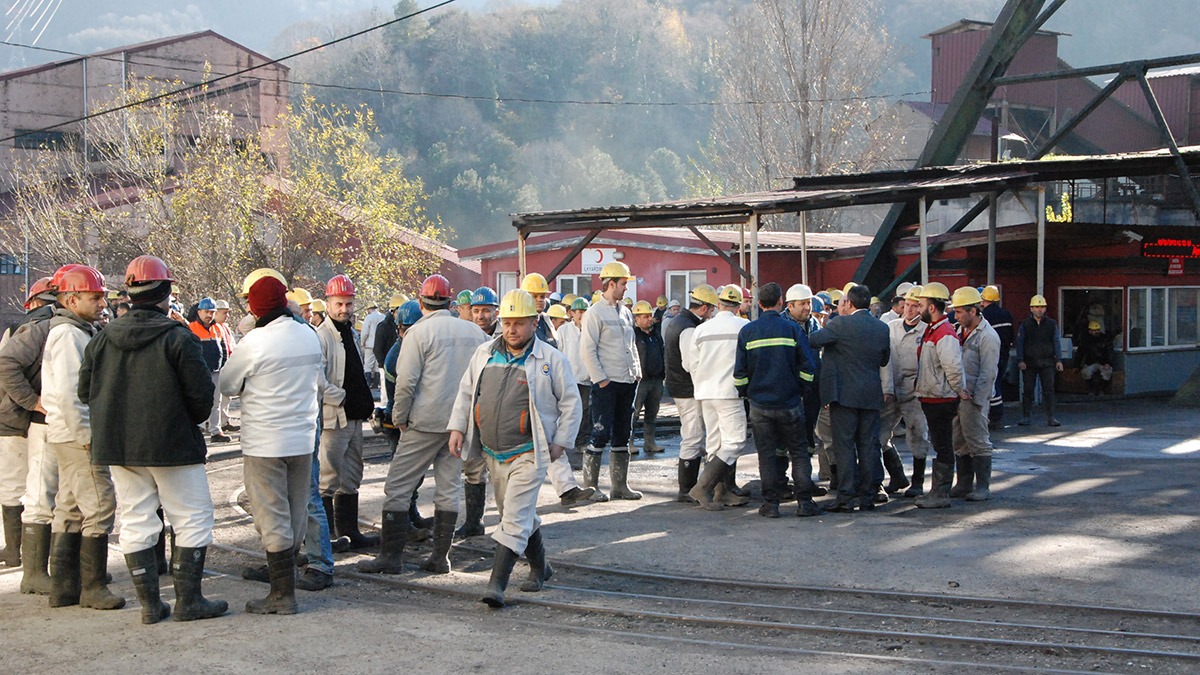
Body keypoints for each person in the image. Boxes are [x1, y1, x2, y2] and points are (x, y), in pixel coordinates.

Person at [81, 254, 227, 624]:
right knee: (192, 518)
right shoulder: (178, 337)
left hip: (119, 446)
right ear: (166, 291)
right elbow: (200, 396)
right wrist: (185, 422)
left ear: (130, 293)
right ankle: (188, 602)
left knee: (135, 520)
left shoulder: (100, 339)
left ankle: (149, 605)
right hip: (173, 444)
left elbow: (85, 392)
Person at [447, 290, 582, 608]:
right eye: (507, 323)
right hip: (494, 452)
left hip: (530, 451)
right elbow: (467, 392)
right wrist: (457, 427)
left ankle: (497, 584)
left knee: (514, 516)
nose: (511, 330)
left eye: (519, 323)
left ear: (534, 323)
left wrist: (561, 440)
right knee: (516, 513)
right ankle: (540, 567)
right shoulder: (484, 353)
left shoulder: (550, 360)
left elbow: (571, 403)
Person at [358, 275, 488, 576]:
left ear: (421, 302)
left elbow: (405, 384)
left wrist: (399, 418)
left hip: (424, 422)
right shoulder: (475, 333)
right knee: (449, 488)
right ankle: (441, 557)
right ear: (451, 302)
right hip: (460, 424)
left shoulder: (417, 334)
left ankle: (390, 557)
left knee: (398, 487)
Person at [220, 272, 323, 615]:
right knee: (295, 510)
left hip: (265, 441)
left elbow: (228, 384)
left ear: (254, 307)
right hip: (303, 440)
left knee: (271, 511)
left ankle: (281, 596)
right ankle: (286, 582)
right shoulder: (309, 335)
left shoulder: (255, 341)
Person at [42, 265, 124, 610]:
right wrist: (87, 435)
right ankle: (92, 588)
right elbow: (71, 393)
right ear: (71, 298)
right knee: (100, 504)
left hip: (65, 432)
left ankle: (64, 587)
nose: (102, 301)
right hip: (77, 435)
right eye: (96, 296)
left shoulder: (73, 330)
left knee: (71, 506)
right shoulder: (70, 335)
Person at [734, 282, 820, 518]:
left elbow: (739, 375)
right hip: (790, 403)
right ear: (781, 302)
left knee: (767, 456)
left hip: (760, 406)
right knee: (800, 453)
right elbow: (808, 367)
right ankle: (805, 503)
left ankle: (771, 505)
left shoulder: (748, 331)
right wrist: (801, 389)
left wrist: (748, 394)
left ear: (760, 304)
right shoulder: (792, 330)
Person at [808, 284, 890, 512]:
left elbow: (814, 340)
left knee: (844, 446)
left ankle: (845, 497)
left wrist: (832, 321)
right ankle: (868, 496)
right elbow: (884, 360)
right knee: (869, 446)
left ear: (849, 304)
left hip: (843, 396)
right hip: (871, 395)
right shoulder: (881, 328)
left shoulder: (840, 324)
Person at [314, 274, 377, 550]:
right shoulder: (321, 337)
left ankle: (350, 531)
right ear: (328, 303)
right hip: (333, 417)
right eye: (339, 303)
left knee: (352, 474)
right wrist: (344, 399)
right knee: (327, 477)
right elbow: (317, 381)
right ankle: (323, 537)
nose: (344, 309)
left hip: (353, 418)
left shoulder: (352, 333)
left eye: (349, 304)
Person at [0, 277, 54, 569]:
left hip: (13, 418)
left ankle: (13, 551)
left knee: (13, 485)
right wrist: (33, 402)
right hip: (30, 417)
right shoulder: (53, 328)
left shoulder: (15, 329)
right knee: (37, 488)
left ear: (32, 302)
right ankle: (21, 555)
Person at [579, 262, 642, 501]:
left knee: (623, 433)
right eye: (624, 283)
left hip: (627, 381)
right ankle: (591, 488)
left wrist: (637, 372)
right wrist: (601, 380)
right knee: (600, 432)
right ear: (611, 283)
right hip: (607, 383)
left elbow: (631, 344)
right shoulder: (595, 313)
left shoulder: (625, 311)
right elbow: (587, 350)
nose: (626, 288)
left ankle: (619, 487)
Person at [686, 285, 751, 510]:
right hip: (729, 393)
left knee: (715, 443)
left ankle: (718, 492)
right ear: (738, 306)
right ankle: (703, 487)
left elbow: (692, 364)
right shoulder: (745, 327)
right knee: (734, 441)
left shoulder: (702, 329)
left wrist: (701, 382)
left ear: (719, 303)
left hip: (705, 392)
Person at [913, 282, 967, 509]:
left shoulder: (943, 333)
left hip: (941, 399)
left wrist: (959, 389)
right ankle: (937, 491)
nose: (918, 309)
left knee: (943, 445)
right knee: (940, 443)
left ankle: (940, 494)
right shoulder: (934, 330)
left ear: (933, 307)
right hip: (933, 397)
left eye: (921, 305)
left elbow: (953, 366)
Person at [664, 285, 716, 502]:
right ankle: (686, 489)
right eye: (711, 309)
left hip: (680, 387)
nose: (712, 313)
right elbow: (691, 364)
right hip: (687, 389)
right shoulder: (688, 328)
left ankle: (688, 487)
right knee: (693, 436)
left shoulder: (679, 322)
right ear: (703, 308)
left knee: (692, 435)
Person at [948, 287, 1001, 502]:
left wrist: (979, 401)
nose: (956, 315)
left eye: (960, 311)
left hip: (974, 398)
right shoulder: (958, 331)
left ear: (973, 311)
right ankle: (963, 483)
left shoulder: (988, 336)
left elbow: (989, 372)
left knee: (978, 440)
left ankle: (982, 487)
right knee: (959, 440)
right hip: (958, 396)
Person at [880, 285, 933, 497]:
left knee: (918, 434)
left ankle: (918, 482)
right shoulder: (891, 327)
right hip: (891, 389)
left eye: (914, 306)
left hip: (915, 393)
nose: (910, 310)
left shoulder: (927, 330)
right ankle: (897, 475)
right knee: (880, 435)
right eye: (907, 306)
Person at [1016, 295, 1063, 427]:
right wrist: (1020, 360)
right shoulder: (1025, 324)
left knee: (1049, 390)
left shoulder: (1051, 324)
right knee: (1028, 390)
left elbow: (1056, 342)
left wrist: (1059, 360)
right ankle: (1026, 416)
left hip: (1048, 362)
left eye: (1042, 307)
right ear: (1031, 308)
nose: (1039, 310)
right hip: (1029, 363)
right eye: (1036, 307)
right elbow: (1020, 342)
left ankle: (1051, 417)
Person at [189, 297, 231, 443]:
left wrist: (223, 366)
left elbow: (224, 349)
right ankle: (197, 429)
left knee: (216, 402)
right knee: (197, 401)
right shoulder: (191, 328)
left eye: (212, 312)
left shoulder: (217, 328)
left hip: (216, 371)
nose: (209, 315)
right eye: (207, 312)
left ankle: (215, 430)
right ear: (199, 312)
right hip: (198, 374)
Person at [557, 297, 592, 470]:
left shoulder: (591, 330)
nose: (582, 315)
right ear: (572, 313)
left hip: (586, 377)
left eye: (585, 311)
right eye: (579, 312)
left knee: (585, 410)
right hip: (569, 377)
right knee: (567, 411)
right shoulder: (564, 331)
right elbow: (560, 352)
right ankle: (566, 440)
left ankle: (582, 441)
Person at [631, 300, 664, 455]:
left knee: (652, 413)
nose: (649, 319)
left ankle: (649, 443)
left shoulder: (655, 334)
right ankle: (628, 443)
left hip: (656, 380)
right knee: (634, 413)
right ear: (637, 319)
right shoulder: (633, 335)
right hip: (640, 381)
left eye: (650, 316)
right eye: (645, 316)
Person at [980, 285, 1014, 427]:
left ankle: (993, 416)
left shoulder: (984, 317)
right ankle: (997, 416)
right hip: (1004, 354)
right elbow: (1010, 336)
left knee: (991, 385)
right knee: (998, 381)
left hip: (989, 355)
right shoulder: (1007, 314)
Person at [211, 300, 239, 433]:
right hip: (218, 367)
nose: (227, 316)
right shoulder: (213, 328)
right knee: (217, 398)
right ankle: (214, 423)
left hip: (228, 365)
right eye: (224, 313)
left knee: (226, 396)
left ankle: (224, 420)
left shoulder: (226, 328)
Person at [372, 294, 403, 409]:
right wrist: (383, 364)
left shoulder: (399, 326)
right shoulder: (383, 327)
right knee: (386, 393)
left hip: (399, 366)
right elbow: (377, 348)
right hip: (386, 367)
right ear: (393, 311)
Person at [1077, 321, 1114, 395]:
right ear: (1090, 331)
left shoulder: (1105, 339)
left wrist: (1108, 363)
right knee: (1085, 372)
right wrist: (1076, 366)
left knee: (1107, 373)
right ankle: (1092, 388)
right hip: (1090, 362)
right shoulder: (1085, 340)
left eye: (1098, 330)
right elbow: (1080, 353)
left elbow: (1110, 352)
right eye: (1094, 330)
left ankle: (1101, 389)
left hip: (1103, 362)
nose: (1096, 332)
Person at [522, 273, 559, 349]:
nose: (540, 300)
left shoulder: (545, 319)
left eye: (542, 296)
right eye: (534, 296)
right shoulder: (520, 323)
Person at [359, 302, 384, 386]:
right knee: (377, 366)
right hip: (380, 345)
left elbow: (365, 332)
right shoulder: (383, 317)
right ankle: (376, 384)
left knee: (367, 366)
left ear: (369, 309)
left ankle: (367, 384)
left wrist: (362, 343)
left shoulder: (368, 318)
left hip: (369, 345)